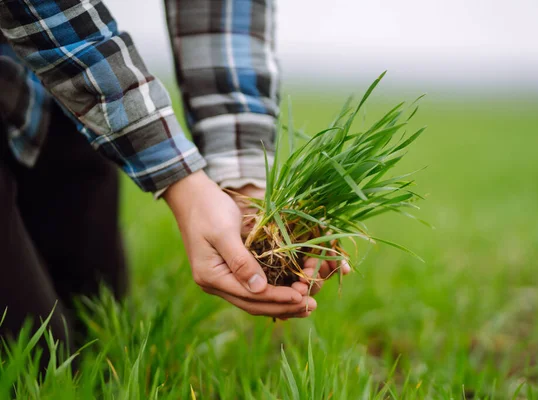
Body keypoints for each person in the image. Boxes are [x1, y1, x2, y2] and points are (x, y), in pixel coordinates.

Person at [0, 0, 349, 354]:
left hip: (41, 87)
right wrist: (185, 185)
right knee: (34, 354)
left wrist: (246, 188)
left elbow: (222, 11)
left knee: (97, 326)